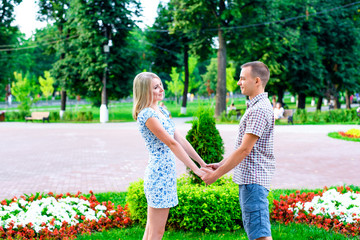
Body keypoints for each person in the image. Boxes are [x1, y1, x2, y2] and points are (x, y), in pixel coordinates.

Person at [201, 61, 275, 240]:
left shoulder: (258, 110)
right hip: (252, 180)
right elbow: (245, 148)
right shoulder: (257, 106)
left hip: (253, 180)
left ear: (257, 81)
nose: (239, 82)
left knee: (260, 236)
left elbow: (244, 150)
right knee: (257, 233)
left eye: (242, 78)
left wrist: (216, 175)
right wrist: (221, 164)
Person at [132, 72, 206, 240]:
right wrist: (195, 169)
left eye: (161, 85)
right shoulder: (147, 115)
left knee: (151, 231)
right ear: (144, 91)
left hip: (165, 175)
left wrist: (202, 164)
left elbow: (180, 139)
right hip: (159, 176)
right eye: (155, 87)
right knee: (156, 233)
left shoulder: (161, 111)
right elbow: (171, 144)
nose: (161, 89)